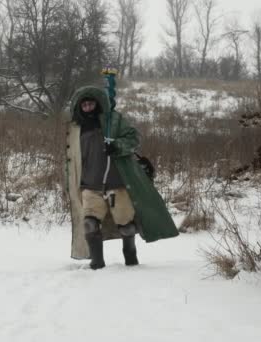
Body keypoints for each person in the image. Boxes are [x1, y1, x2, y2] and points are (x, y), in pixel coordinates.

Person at [65, 86, 179, 270]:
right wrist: (69, 183)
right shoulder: (75, 129)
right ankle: (97, 262)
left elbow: (133, 138)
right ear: (79, 107)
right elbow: (71, 162)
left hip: (117, 185)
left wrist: (117, 145)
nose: (87, 107)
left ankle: (130, 256)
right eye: (84, 104)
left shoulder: (113, 120)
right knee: (89, 224)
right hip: (90, 186)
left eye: (91, 103)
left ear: (97, 103)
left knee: (126, 226)